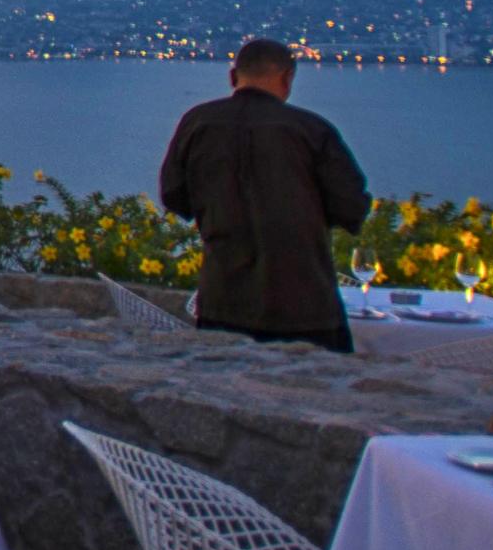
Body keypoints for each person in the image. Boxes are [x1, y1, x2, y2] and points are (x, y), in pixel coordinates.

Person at [156, 37, 366, 348]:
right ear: (287, 78)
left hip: (223, 301)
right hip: (305, 307)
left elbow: (174, 195)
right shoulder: (311, 131)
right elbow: (351, 207)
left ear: (233, 77)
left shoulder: (197, 123)